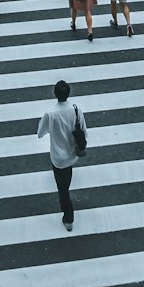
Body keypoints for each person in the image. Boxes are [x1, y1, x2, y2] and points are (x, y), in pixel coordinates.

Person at [37, 79, 87, 231]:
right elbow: (84, 131)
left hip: (58, 157)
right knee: (66, 178)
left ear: (55, 94)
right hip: (72, 154)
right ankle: (67, 212)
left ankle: (69, 217)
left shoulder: (50, 114)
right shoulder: (76, 109)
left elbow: (40, 133)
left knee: (62, 189)